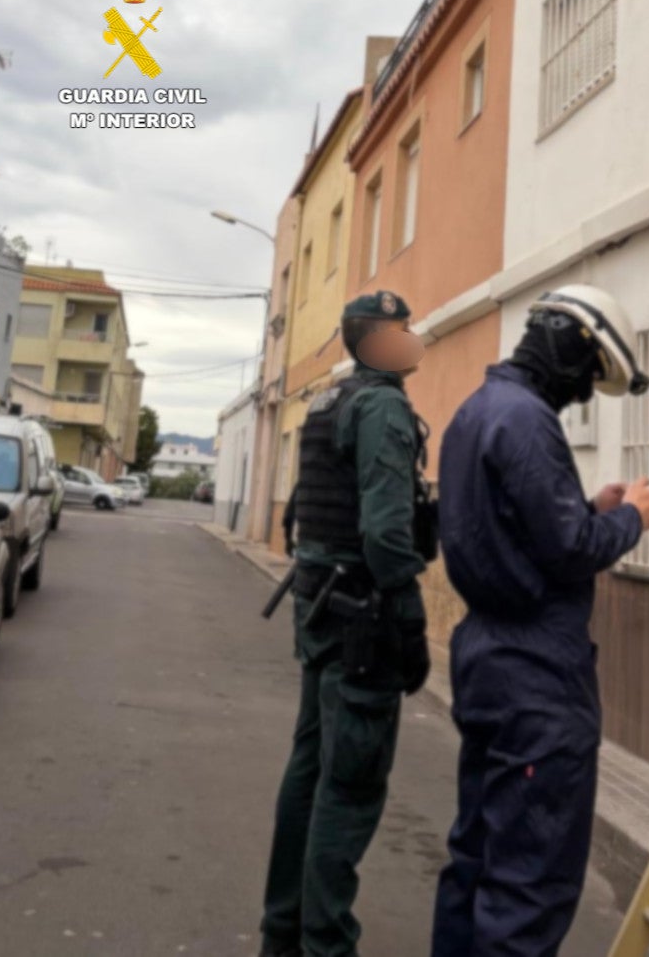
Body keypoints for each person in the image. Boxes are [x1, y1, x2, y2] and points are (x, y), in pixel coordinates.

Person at [430, 284, 649, 957]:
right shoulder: (527, 418)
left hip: (483, 657)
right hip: (535, 674)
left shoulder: (478, 410)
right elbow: (567, 553)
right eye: (591, 375)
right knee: (529, 883)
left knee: (474, 859)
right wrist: (630, 519)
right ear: (572, 344)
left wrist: (590, 505)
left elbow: (519, 530)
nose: (586, 394)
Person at [258, 290, 432, 957]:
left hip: (317, 602)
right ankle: (324, 944)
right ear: (375, 338)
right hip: (362, 611)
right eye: (402, 327)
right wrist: (411, 621)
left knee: (309, 767)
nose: (412, 336)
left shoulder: (329, 400)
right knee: (350, 781)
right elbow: (388, 537)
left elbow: (302, 513)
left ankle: (282, 935)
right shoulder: (382, 405)